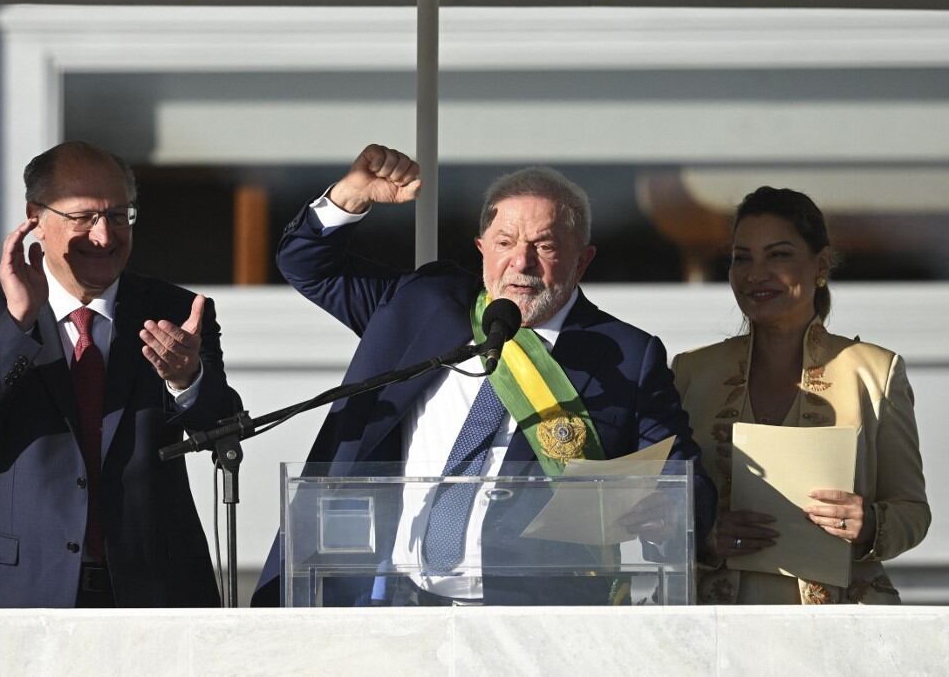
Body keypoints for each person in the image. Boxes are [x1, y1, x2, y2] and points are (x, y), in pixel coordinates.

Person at [251, 144, 715, 607]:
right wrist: (351, 195)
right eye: (505, 242)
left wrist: (669, 511)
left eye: (545, 245)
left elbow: (681, 475)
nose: (521, 262)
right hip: (395, 605)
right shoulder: (423, 304)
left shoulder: (627, 355)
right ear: (482, 250)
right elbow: (306, 264)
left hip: (534, 619)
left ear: (583, 261)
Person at [0, 141, 241, 608]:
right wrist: (16, 324)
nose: (104, 236)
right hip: (17, 590)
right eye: (84, 217)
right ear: (36, 216)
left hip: (153, 589)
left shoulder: (176, 313)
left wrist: (187, 379)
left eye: (119, 215)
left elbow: (223, 429)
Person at [672, 186, 930, 604]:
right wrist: (704, 535)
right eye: (742, 258)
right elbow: (657, 508)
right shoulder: (691, 372)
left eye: (778, 255)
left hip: (843, 627)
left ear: (821, 265)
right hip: (718, 631)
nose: (755, 274)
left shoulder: (875, 372)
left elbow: (913, 511)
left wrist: (869, 523)